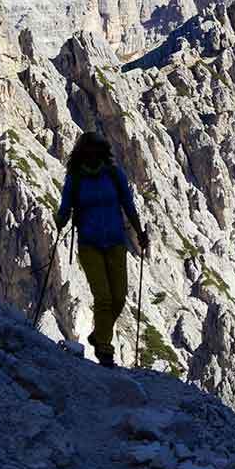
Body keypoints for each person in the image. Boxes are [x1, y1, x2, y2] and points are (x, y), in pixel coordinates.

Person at [55, 132, 149, 367]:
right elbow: (65, 205)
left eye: (96, 151)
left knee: (119, 297)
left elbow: (129, 205)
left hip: (116, 243)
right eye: (90, 151)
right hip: (89, 245)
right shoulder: (75, 179)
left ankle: (98, 334)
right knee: (104, 297)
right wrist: (62, 218)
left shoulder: (114, 176)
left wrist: (139, 232)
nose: (93, 155)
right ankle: (105, 349)